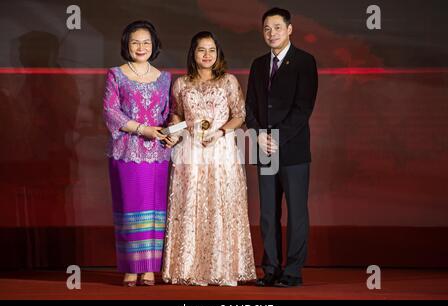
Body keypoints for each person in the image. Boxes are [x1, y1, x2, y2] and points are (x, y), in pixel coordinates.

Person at [162, 31, 256, 286]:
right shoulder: (181, 84)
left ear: (218, 53)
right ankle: (191, 268)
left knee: (219, 203)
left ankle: (221, 268)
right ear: (193, 54)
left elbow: (240, 114)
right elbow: (177, 115)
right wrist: (175, 128)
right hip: (190, 151)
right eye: (201, 50)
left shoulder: (228, 82)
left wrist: (220, 132)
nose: (207, 55)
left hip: (221, 149)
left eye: (212, 50)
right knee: (192, 203)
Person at [245, 7, 318, 287]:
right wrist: (257, 133)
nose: (271, 33)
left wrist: (274, 137)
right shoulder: (258, 64)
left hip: (293, 150)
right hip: (263, 148)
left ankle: (293, 270)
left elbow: (303, 109)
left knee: (297, 212)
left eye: (277, 27)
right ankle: (271, 268)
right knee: (267, 213)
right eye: (266, 28)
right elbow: (249, 105)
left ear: (289, 29)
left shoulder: (305, 62)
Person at [103, 20, 175, 287]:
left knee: (155, 210)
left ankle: (149, 269)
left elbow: (168, 115)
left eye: (146, 42)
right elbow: (110, 111)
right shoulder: (116, 74)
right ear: (126, 45)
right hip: (126, 153)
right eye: (135, 42)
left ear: (154, 45)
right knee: (129, 208)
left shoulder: (164, 78)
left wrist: (171, 134)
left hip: (157, 155)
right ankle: (131, 268)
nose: (141, 47)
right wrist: (143, 129)